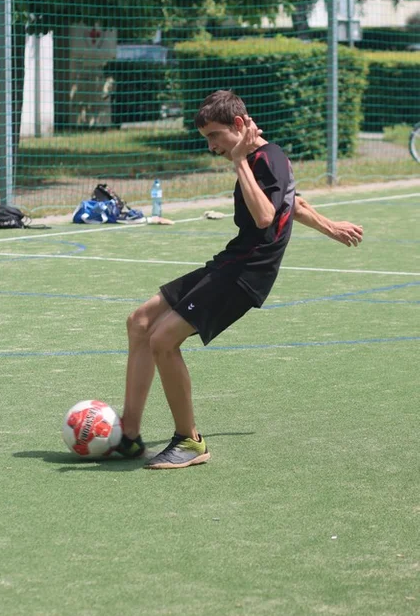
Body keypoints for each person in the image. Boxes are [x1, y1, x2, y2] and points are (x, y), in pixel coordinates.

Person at [115, 90, 363, 469]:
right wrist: (330, 227)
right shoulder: (264, 158)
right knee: (140, 322)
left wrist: (239, 162)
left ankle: (190, 442)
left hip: (247, 272)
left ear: (238, 125)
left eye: (215, 136)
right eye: (207, 139)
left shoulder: (263, 159)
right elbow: (291, 202)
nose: (212, 146)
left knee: (163, 339)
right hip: (229, 262)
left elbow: (265, 216)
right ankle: (129, 435)